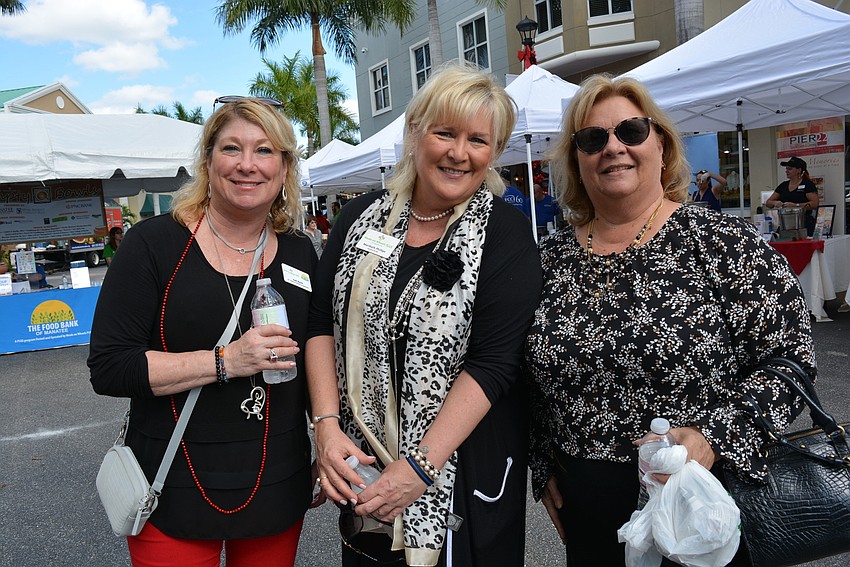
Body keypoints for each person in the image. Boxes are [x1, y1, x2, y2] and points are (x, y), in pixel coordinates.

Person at [525, 73, 816, 566]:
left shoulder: (722, 243)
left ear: (660, 145)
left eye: (631, 131)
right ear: (576, 160)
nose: (613, 148)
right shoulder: (547, 261)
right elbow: (521, 372)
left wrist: (713, 438)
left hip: (703, 502)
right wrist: (541, 459)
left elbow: (791, 361)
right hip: (590, 512)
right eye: (592, 139)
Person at [305, 61, 542, 567]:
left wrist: (419, 469)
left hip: (463, 470)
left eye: (478, 140)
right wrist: (326, 427)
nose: (459, 153)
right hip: (365, 466)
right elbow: (321, 324)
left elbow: (494, 363)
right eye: (445, 133)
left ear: (495, 151)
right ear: (415, 133)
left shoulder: (504, 233)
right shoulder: (358, 217)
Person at [88, 97, 319, 566]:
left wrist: (328, 439)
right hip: (171, 484)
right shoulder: (153, 244)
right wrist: (227, 360)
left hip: (277, 479)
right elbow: (110, 367)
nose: (247, 164)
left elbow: (318, 353)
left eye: (265, 150)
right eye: (232, 148)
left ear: (285, 167)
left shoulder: (300, 251)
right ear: (208, 161)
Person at [764, 156, 819, 236]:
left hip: (803, 222)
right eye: (786, 169)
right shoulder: (783, 185)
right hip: (785, 223)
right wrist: (775, 203)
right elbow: (768, 202)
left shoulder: (807, 184)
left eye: (790, 169)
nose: (786, 171)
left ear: (799, 170)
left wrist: (795, 205)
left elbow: (814, 204)